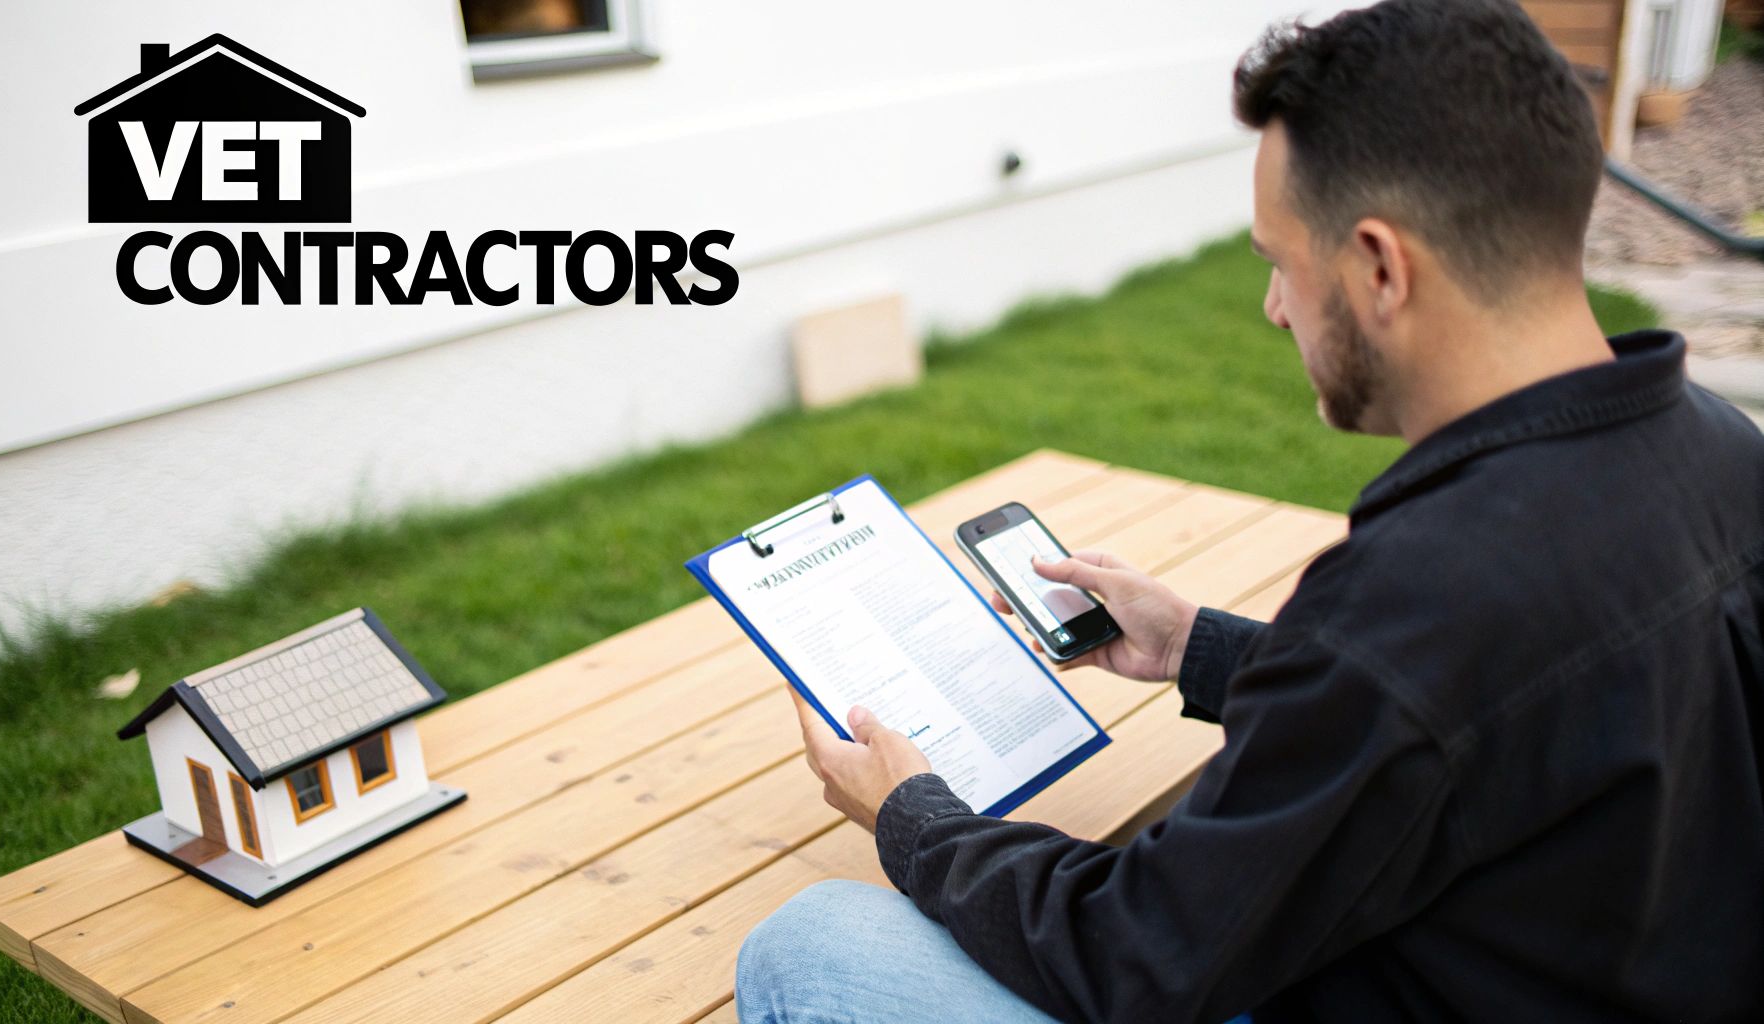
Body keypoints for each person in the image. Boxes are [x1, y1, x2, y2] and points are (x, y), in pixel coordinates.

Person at [734, 0, 1764, 1021]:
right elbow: (1484, 715)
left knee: (812, 948)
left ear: (1377, 267)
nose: (1273, 307)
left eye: (1278, 262)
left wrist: (913, 818)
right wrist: (1198, 647)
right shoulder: (1717, 448)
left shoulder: (1426, 594)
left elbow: (1135, 955)